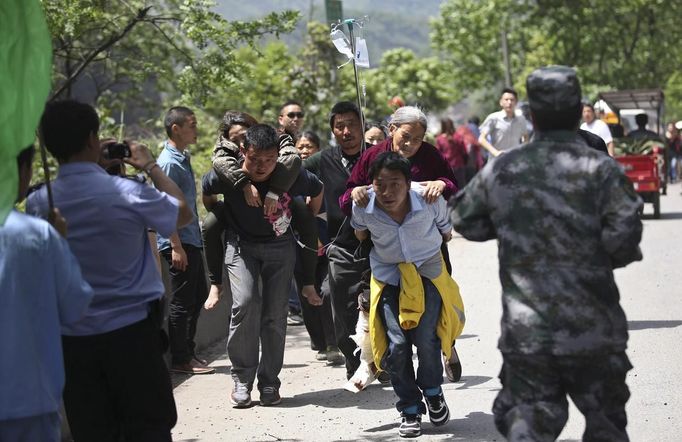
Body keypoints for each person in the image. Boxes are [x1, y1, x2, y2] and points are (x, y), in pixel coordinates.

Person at [450, 65, 643, 441]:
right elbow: (624, 242)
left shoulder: (505, 169)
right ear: (578, 113)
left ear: (531, 116)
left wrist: (513, 228)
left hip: (529, 335)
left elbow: (465, 221)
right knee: (606, 429)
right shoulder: (602, 169)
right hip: (593, 330)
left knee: (528, 427)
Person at [27, 99, 192, 441]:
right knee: (148, 428)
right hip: (131, 334)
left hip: (72, 340)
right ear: (92, 139)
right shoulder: (127, 192)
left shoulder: (40, 202)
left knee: (93, 431)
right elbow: (182, 214)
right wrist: (151, 167)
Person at [202, 124, 324, 408]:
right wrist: (221, 212)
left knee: (275, 314)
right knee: (244, 303)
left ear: (277, 157)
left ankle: (269, 381)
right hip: (241, 245)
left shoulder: (289, 173)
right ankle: (242, 378)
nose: (261, 167)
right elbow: (207, 192)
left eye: (269, 160)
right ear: (243, 151)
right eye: (255, 159)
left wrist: (308, 214)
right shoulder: (229, 175)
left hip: (280, 246)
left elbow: (317, 188)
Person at [340, 106, 463, 385]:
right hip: (386, 248)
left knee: (439, 300)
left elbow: (452, 185)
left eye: (417, 139)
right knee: (383, 308)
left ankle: (447, 346)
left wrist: (440, 184)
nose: (410, 144)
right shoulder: (373, 156)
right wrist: (355, 192)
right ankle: (379, 360)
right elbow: (349, 197)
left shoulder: (430, 155)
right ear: (391, 129)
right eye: (405, 136)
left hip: (426, 245)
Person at [351, 151, 464, 438]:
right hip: (389, 277)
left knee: (427, 339)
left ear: (409, 181)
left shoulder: (429, 199)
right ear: (371, 184)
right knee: (396, 345)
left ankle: (433, 392)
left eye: (395, 184)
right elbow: (361, 234)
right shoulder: (363, 205)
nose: (387, 192)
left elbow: (446, 233)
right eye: (380, 184)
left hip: (427, 274)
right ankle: (409, 408)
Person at [0, 146, 94, 442]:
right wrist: (60, 243)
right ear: (22, 171)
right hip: (28, 398)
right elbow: (75, 306)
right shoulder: (38, 234)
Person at [302, 101, 368, 380]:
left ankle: (383, 358)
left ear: (362, 126)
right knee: (336, 299)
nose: (347, 131)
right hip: (340, 244)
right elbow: (295, 176)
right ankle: (351, 357)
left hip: (379, 242)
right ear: (332, 130)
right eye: (340, 126)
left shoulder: (376, 156)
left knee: (381, 300)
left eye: (352, 124)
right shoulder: (322, 160)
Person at [156, 106, 214, 375]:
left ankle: (188, 351)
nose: (196, 129)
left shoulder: (181, 157)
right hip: (178, 241)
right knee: (181, 301)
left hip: (190, 236)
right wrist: (175, 245)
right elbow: (165, 206)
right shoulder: (167, 162)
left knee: (198, 294)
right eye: (191, 124)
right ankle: (181, 358)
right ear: (176, 128)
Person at [478, 88, 529, 158]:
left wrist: (522, 150)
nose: (509, 102)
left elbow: (525, 137)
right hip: (496, 161)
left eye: (512, 100)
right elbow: (481, 139)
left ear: (516, 102)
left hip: (514, 160)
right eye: (506, 100)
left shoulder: (521, 119)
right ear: (501, 102)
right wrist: (495, 152)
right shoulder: (493, 118)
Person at [435, 117, 468, 188]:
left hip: (447, 168)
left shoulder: (439, 139)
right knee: (461, 187)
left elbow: (438, 155)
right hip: (459, 165)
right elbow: (464, 151)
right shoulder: (458, 136)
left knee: (450, 188)